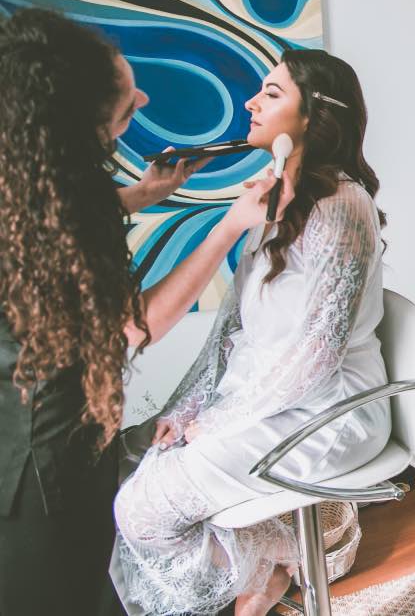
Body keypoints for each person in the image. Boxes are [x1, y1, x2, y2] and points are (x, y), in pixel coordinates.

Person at [0, 8, 288, 615]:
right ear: (77, 128)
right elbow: (136, 326)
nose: (146, 96)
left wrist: (144, 194)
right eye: (128, 102)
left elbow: (63, 208)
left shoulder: (26, 187)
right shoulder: (63, 225)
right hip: (40, 465)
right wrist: (228, 227)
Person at [113, 48, 389, 616]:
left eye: (271, 92)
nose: (249, 101)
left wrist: (213, 421)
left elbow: (316, 354)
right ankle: (270, 572)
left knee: (142, 508)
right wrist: (185, 407)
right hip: (264, 400)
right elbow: (230, 329)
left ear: (313, 115)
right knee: (132, 456)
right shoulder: (269, 203)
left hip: (330, 409)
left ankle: (288, 560)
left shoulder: (342, 206)